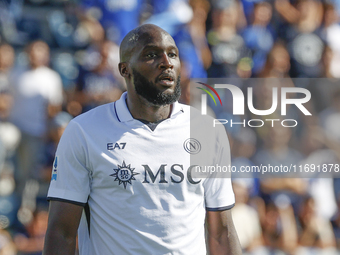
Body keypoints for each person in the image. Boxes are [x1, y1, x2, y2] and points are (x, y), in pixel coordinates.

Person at [43, 24, 241, 255]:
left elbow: (221, 231)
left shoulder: (208, 130)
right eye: (151, 55)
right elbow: (61, 232)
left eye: (173, 54)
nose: (166, 62)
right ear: (125, 69)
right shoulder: (83, 131)